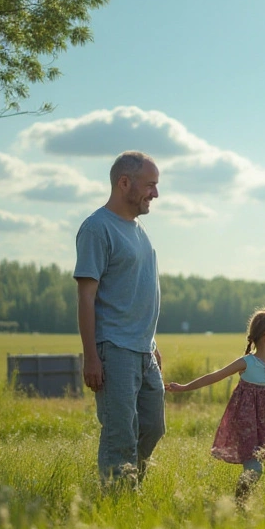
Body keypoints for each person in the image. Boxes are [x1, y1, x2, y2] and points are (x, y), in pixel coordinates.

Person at [74, 151, 165, 488]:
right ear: (124, 182)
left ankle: (128, 486)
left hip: (143, 350)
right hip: (114, 349)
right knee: (120, 435)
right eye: (150, 185)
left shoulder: (139, 230)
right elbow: (86, 296)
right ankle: (117, 498)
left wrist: (151, 344)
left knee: (153, 427)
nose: (155, 193)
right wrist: (91, 356)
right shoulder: (97, 228)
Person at [165, 308, 265, 505]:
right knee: (254, 470)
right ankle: (240, 505)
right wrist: (185, 387)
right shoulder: (247, 363)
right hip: (248, 427)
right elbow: (215, 376)